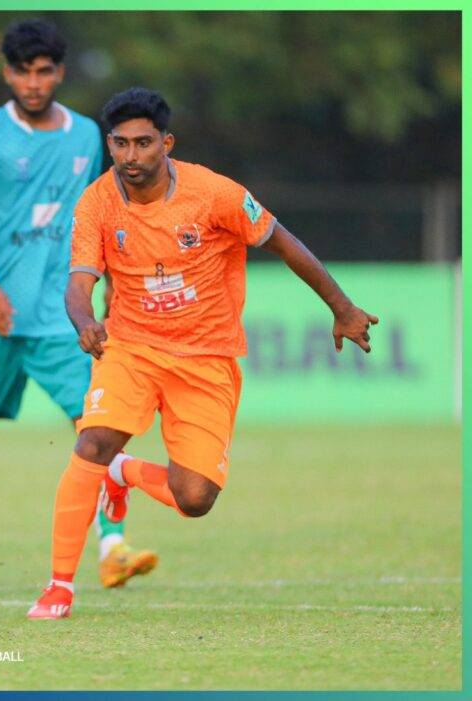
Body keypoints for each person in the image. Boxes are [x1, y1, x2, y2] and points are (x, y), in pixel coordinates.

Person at [27, 87, 378, 619]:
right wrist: (85, 321)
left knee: (195, 498)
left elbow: (283, 242)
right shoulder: (96, 202)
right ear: (109, 144)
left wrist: (343, 307)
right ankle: (58, 588)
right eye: (120, 144)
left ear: (166, 143)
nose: (131, 156)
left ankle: (122, 474)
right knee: (92, 441)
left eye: (143, 143)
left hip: (206, 357)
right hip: (131, 347)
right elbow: (78, 284)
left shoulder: (214, 193)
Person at [0, 19, 156, 589]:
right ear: (7, 74)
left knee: (99, 426)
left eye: (43, 72)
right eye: (22, 72)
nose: (32, 83)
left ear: (59, 73)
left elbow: (104, 215)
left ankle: (113, 546)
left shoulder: (86, 135)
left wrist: (111, 292)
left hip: (62, 315)